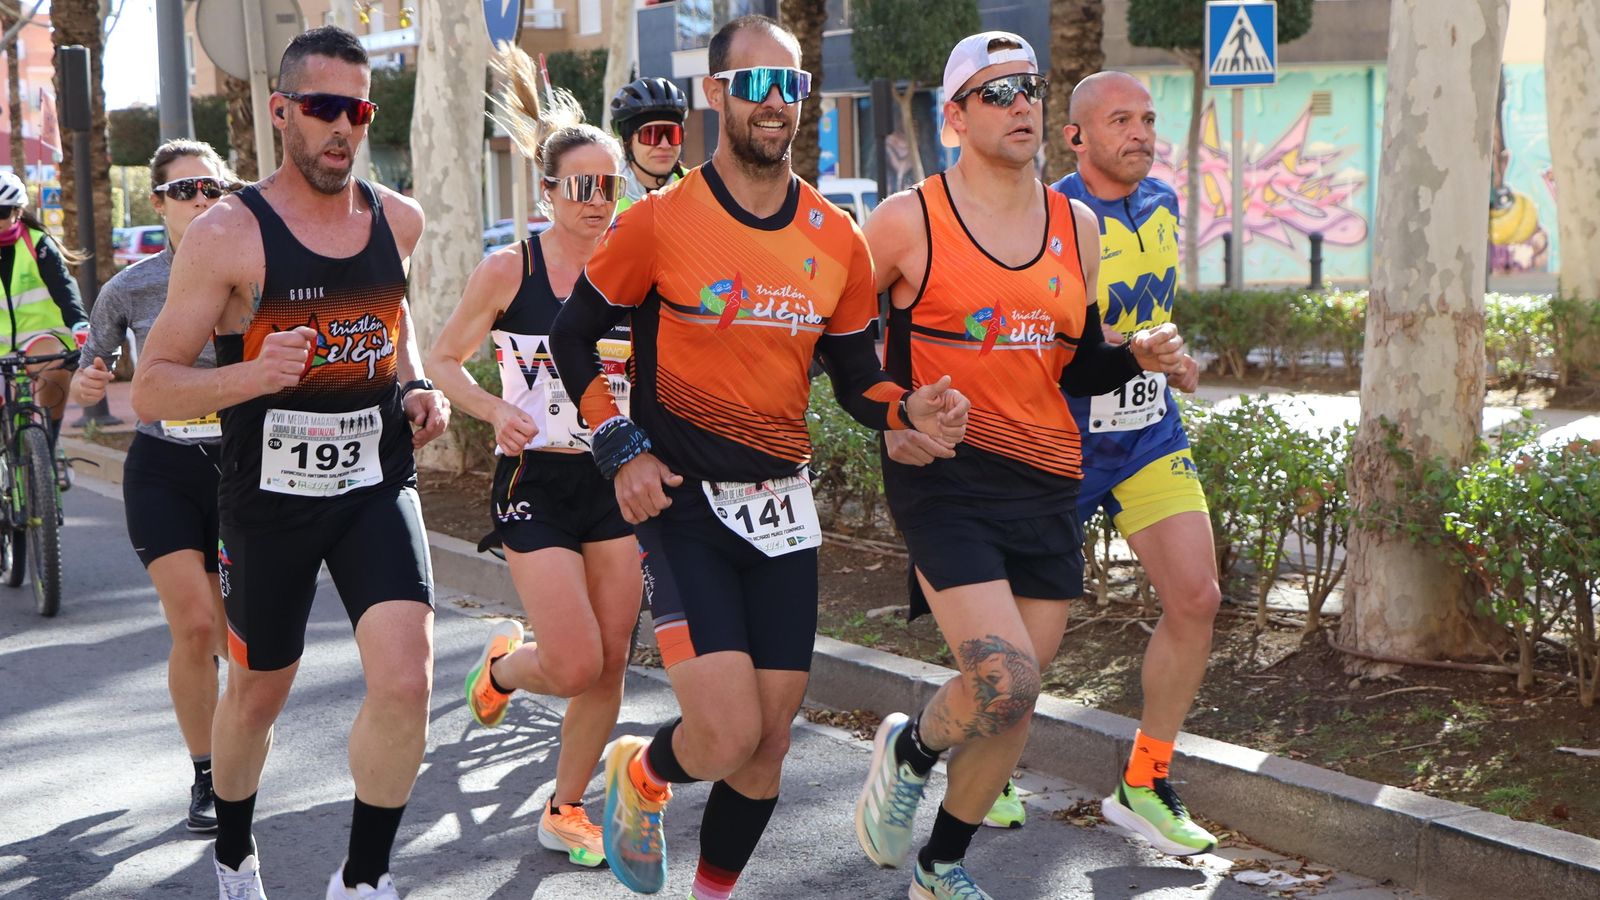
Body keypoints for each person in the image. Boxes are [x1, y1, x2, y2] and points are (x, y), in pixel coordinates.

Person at [548, 16, 968, 897]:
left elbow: (857, 378)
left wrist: (907, 405)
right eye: (757, 85)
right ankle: (643, 772)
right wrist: (618, 445)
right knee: (729, 732)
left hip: (784, 507)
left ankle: (712, 889)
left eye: (793, 86)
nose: (777, 104)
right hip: (682, 504)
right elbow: (574, 334)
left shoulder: (837, 237)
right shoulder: (660, 222)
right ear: (717, 94)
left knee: (771, 740)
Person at [850, 34, 1192, 900]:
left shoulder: (1076, 224)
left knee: (1013, 704)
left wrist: (1137, 354)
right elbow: (840, 346)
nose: (1019, 105)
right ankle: (915, 756)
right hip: (946, 477)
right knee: (1007, 677)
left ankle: (939, 854)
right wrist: (894, 410)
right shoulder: (903, 220)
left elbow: (1073, 365)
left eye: (1029, 88)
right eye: (995, 92)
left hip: (1046, 476)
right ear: (954, 116)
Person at [131, 27, 448, 900]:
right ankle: (234, 850)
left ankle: (365, 877)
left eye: (358, 109)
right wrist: (251, 373)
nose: (344, 127)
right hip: (268, 496)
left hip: (374, 479)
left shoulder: (399, 219)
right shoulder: (231, 235)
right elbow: (151, 389)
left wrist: (416, 383)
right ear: (282, 113)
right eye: (323, 108)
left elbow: (393, 316)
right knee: (257, 695)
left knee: (408, 676)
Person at [428, 44, 636, 871]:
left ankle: (566, 805)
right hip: (537, 481)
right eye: (578, 186)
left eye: (608, 186)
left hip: (617, 478)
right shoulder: (510, 268)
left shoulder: (636, 269)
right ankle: (507, 673)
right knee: (577, 658)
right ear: (545, 191)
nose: (595, 201)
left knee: (611, 660)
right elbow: (443, 358)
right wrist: (491, 409)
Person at [1038, 69, 1219, 856]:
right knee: (1025, 644)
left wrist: (1176, 360)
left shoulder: (1163, 202)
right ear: (1076, 136)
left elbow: (1153, 317)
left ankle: (1143, 780)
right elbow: (1041, 342)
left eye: (1147, 118)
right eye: (1121, 120)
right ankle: (976, 760)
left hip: (1147, 434)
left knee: (1198, 597)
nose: (1141, 131)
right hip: (1058, 441)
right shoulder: (1044, 216)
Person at [70, 139, 237, 835]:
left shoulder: (252, 276)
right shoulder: (130, 288)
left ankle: (236, 752)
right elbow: (91, 369)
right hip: (164, 470)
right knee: (195, 626)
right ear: (159, 202)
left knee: (241, 638)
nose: (200, 200)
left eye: (211, 188)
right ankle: (207, 775)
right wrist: (86, 382)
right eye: (185, 190)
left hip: (245, 471)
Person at [0, 171, 87, 489]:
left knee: (55, 369)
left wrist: (80, 323)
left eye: (2, 212)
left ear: (18, 212)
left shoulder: (38, 244)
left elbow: (65, 288)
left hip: (37, 338)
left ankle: (47, 447)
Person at [609, 76, 688, 213]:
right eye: (651, 134)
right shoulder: (603, 195)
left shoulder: (700, 186)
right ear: (628, 141)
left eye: (673, 134)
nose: (665, 145)